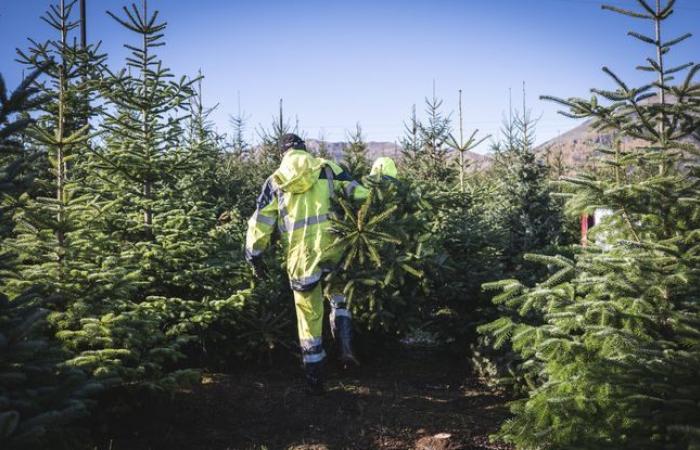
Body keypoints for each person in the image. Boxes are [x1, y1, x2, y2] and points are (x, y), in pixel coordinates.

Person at [245, 134, 367, 394]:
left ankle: (316, 379)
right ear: (304, 149)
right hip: (336, 249)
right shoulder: (328, 169)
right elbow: (361, 194)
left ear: (283, 153)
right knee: (340, 297)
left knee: (308, 317)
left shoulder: (276, 181)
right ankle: (345, 350)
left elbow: (260, 223)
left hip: (302, 259)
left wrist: (253, 254)